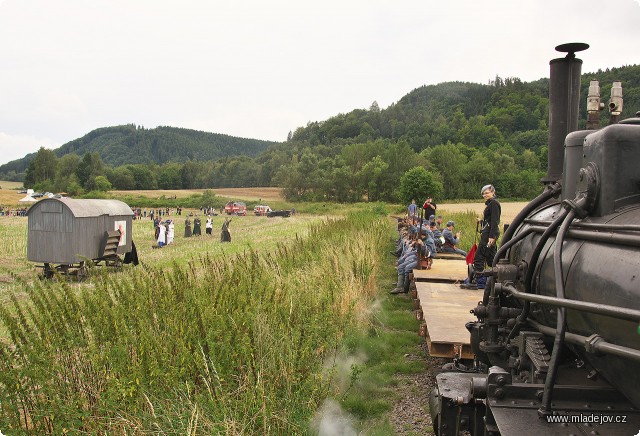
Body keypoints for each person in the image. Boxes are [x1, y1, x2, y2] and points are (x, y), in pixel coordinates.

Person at [461, 184, 501, 289]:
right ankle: (497, 278)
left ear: (493, 192)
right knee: (491, 259)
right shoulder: (491, 204)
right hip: (488, 233)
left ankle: (477, 281)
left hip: (489, 234)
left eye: (487, 193)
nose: (485, 195)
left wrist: (491, 236)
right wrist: (481, 221)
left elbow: (495, 221)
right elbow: (489, 220)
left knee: (478, 257)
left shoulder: (494, 204)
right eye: (483, 193)